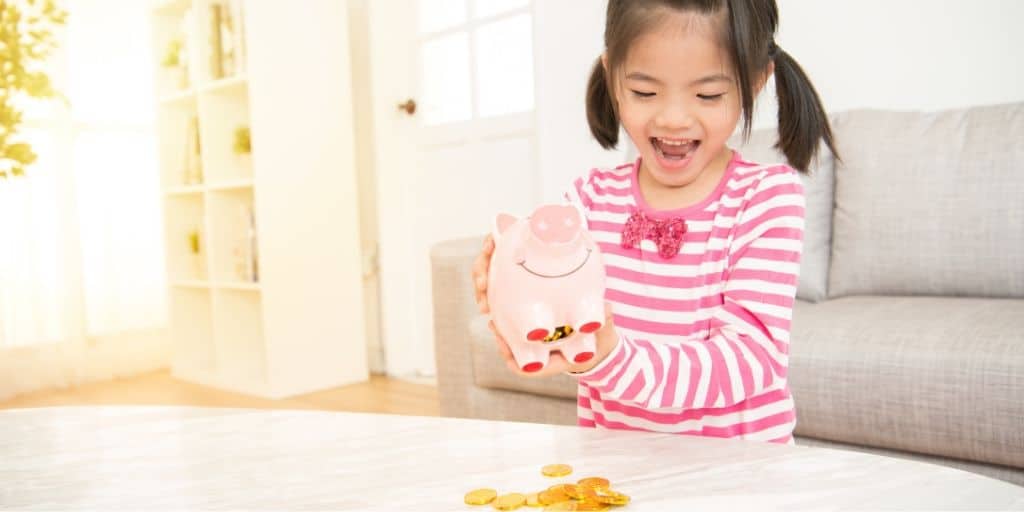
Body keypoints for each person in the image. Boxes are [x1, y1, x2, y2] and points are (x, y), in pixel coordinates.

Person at [472, 0, 837, 444]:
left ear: (754, 83)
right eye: (645, 92)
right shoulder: (589, 200)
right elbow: (570, 324)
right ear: (613, 78)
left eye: (708, 95)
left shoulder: (765, 198)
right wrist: (514, 283)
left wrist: (610, 359)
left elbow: (748, 361)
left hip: (740, 478)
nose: (673, 118)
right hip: (617, 471)